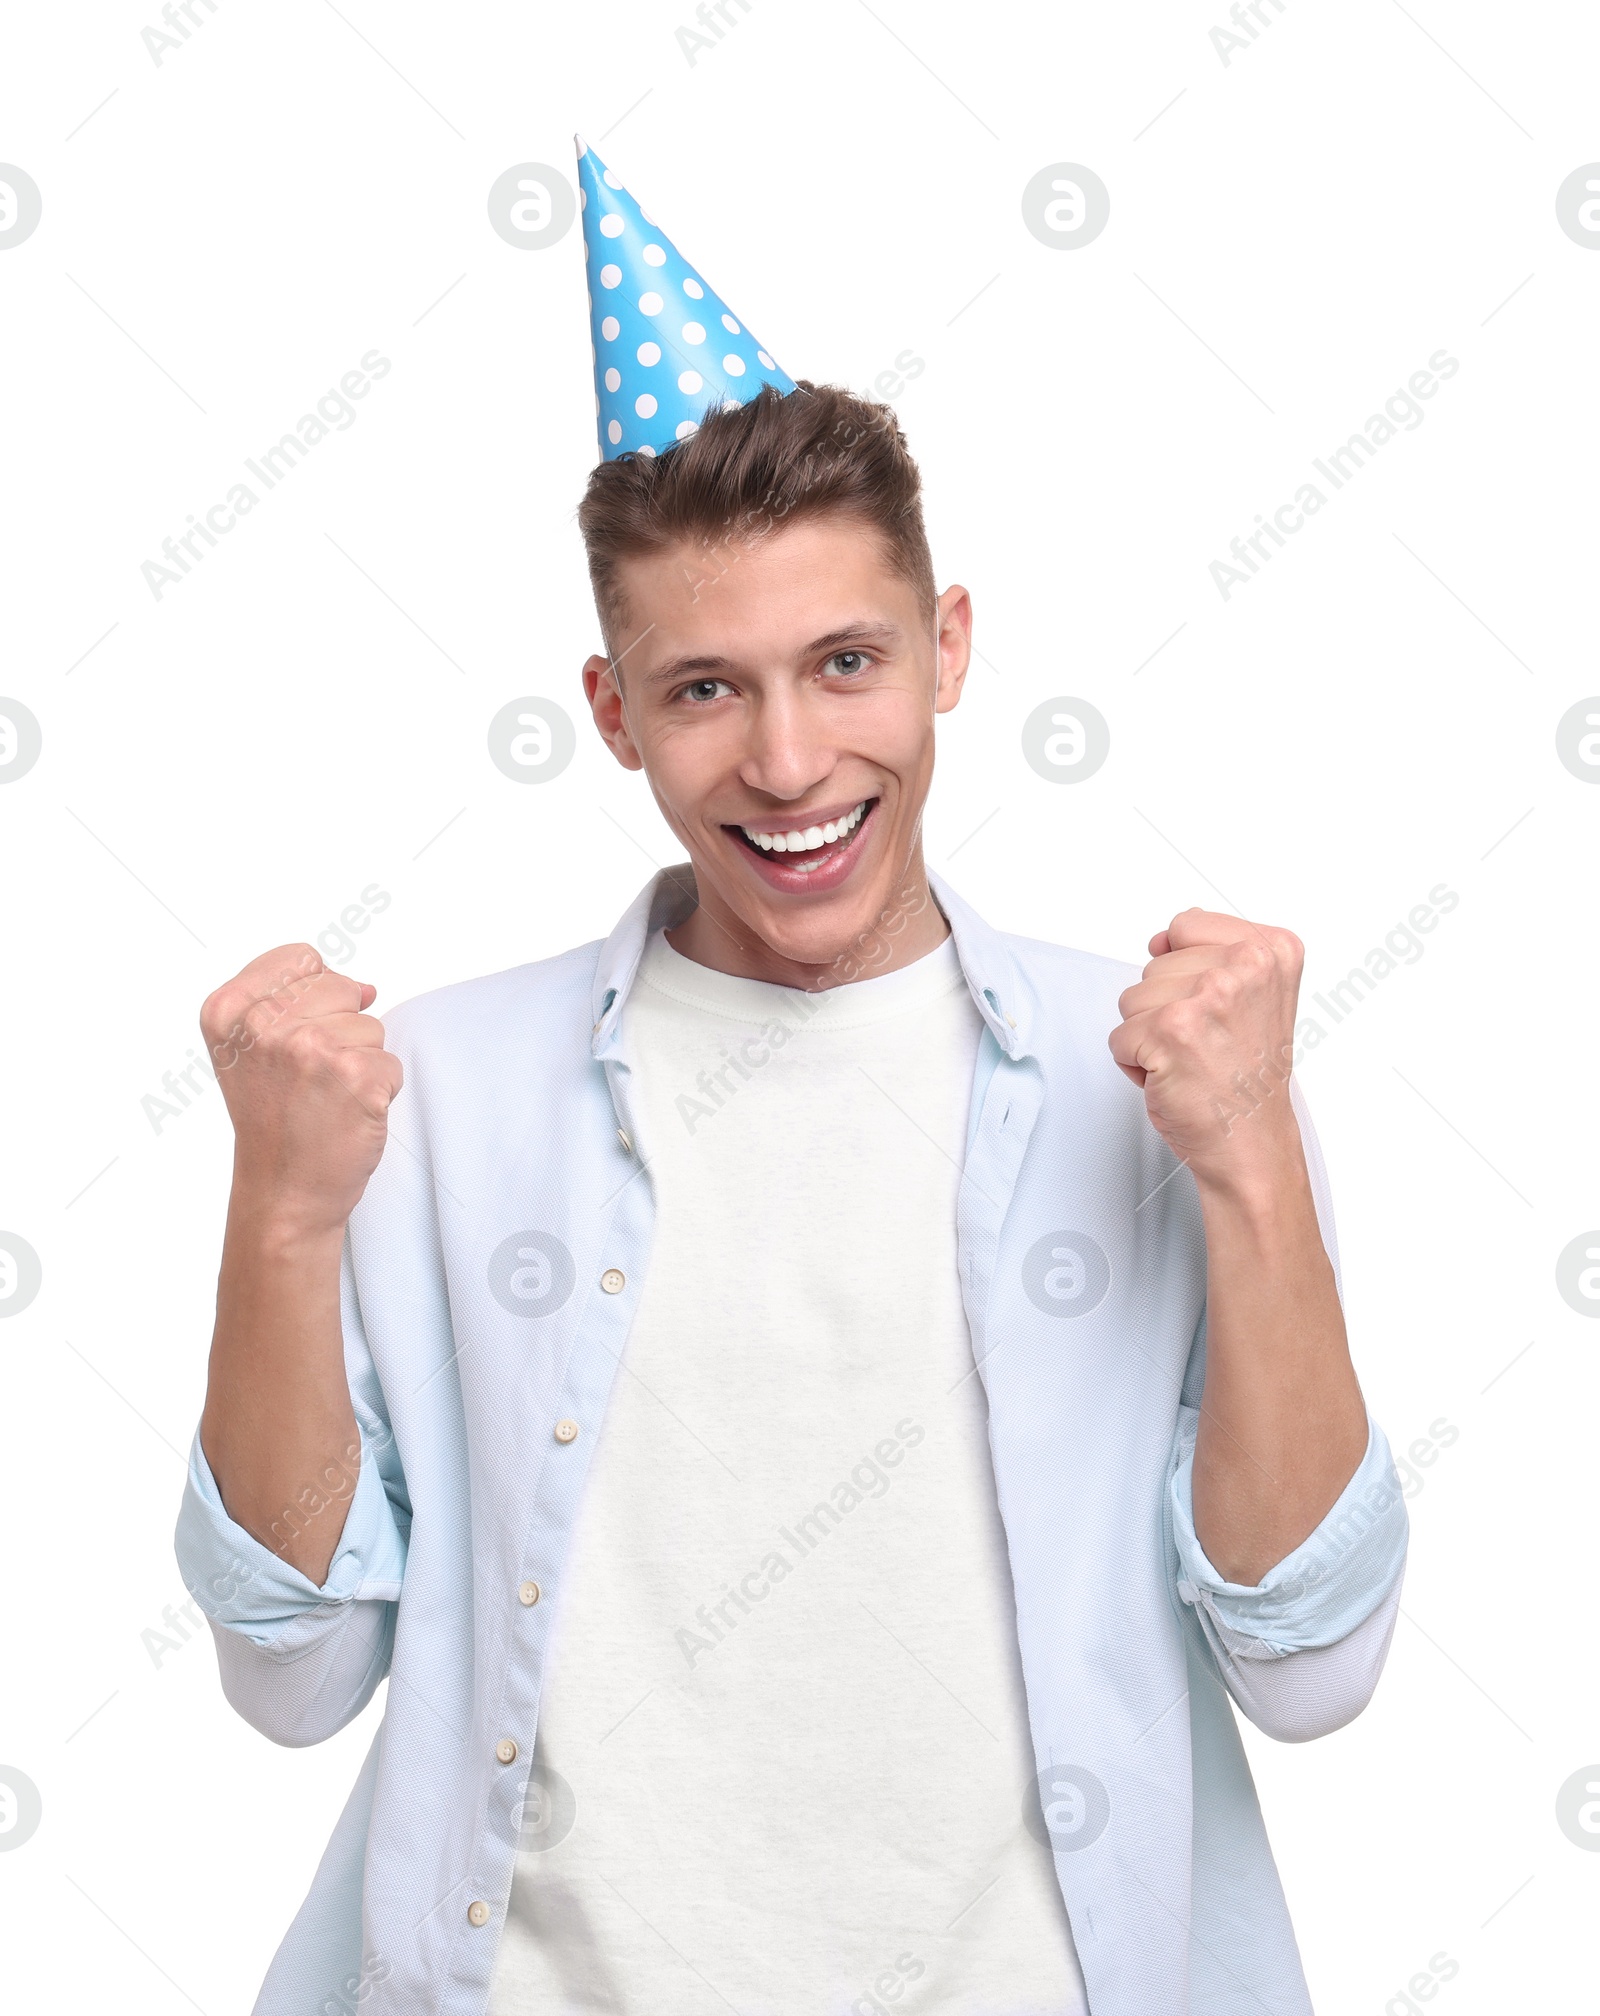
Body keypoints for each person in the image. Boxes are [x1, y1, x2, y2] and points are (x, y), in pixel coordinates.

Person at [175, 140, 1408, 2016]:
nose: (786, 758)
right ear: (612, 713)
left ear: (950, 649)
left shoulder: (1166, 1073)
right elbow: (292, 1679)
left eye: (847, 663)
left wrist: (1247, 1171)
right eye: (702, 689)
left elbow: (1311, 1670)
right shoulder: (431, 1096)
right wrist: (277, 1212)